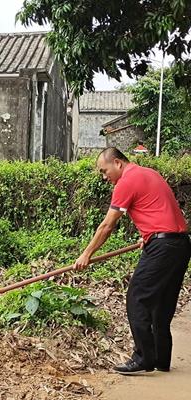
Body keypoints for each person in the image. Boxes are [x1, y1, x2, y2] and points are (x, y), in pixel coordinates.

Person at [74, 147, 191, 375]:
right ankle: (160, 358)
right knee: (162, 303)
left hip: (163, 246)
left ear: (117, 163)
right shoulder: (149, 173)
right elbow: (160, 208)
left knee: (137, 298)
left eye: (104, 170)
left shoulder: (126, 182)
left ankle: (143, 358)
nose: (104, 176)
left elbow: (107, 226)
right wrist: (149, 235)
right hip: (180, 243)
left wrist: (86, 254)